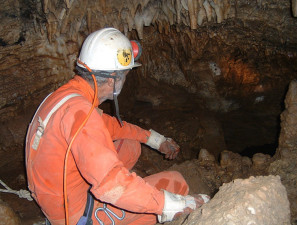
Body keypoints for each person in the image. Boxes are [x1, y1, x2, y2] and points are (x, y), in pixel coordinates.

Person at [25, 28, 210, 225]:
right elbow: (110, 183)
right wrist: (173, 204)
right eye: (124, 75)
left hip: (52, 191)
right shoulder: (82, 115)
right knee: (177, 182)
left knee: (131, 145)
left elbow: (112, 126)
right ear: (114, 78)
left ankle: (118, 191)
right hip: (71, 214)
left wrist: (157, 140)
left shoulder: (69, 97)